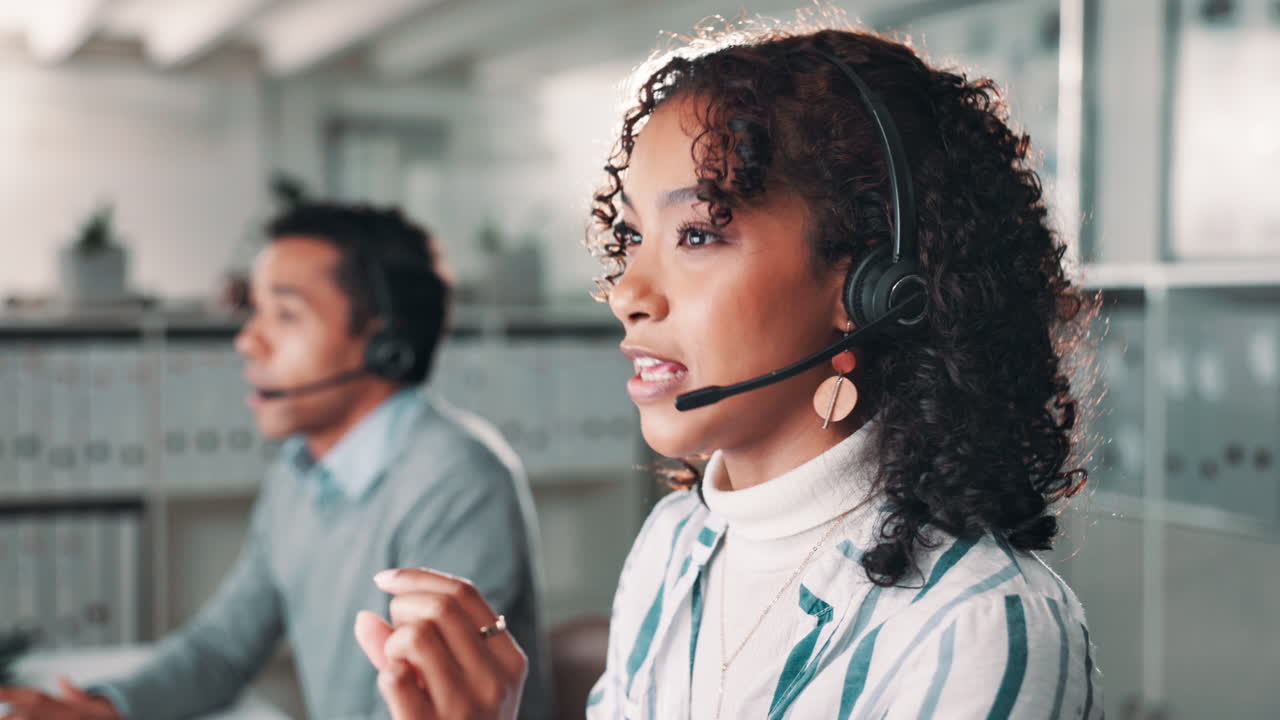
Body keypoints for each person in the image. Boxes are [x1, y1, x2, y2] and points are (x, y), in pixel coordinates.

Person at [355, 15, 1104, 720]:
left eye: (697, 236)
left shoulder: (978, 627)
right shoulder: (677, 544)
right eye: (632, 240)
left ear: (873, 287)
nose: (627, 295)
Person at [0, 203, 551, 719]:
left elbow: (428, 704)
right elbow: (222, 647)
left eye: (285, 315)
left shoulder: (456, 479)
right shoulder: (303, 469)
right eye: (255, 311)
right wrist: (105, 707)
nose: (248, 341)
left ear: (387, 345)